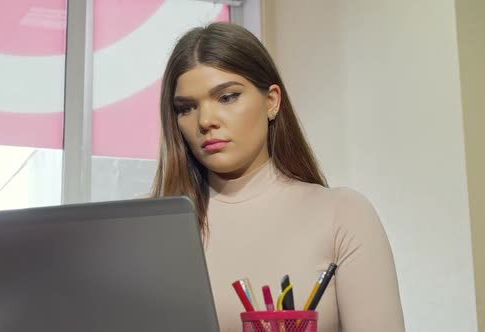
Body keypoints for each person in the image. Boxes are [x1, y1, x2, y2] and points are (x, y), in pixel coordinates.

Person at [150, 22, 405, 332]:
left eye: (227, 97)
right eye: (186, 108)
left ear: (271, 101)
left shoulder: (342, 216)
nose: (206, 121)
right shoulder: (150, 228)